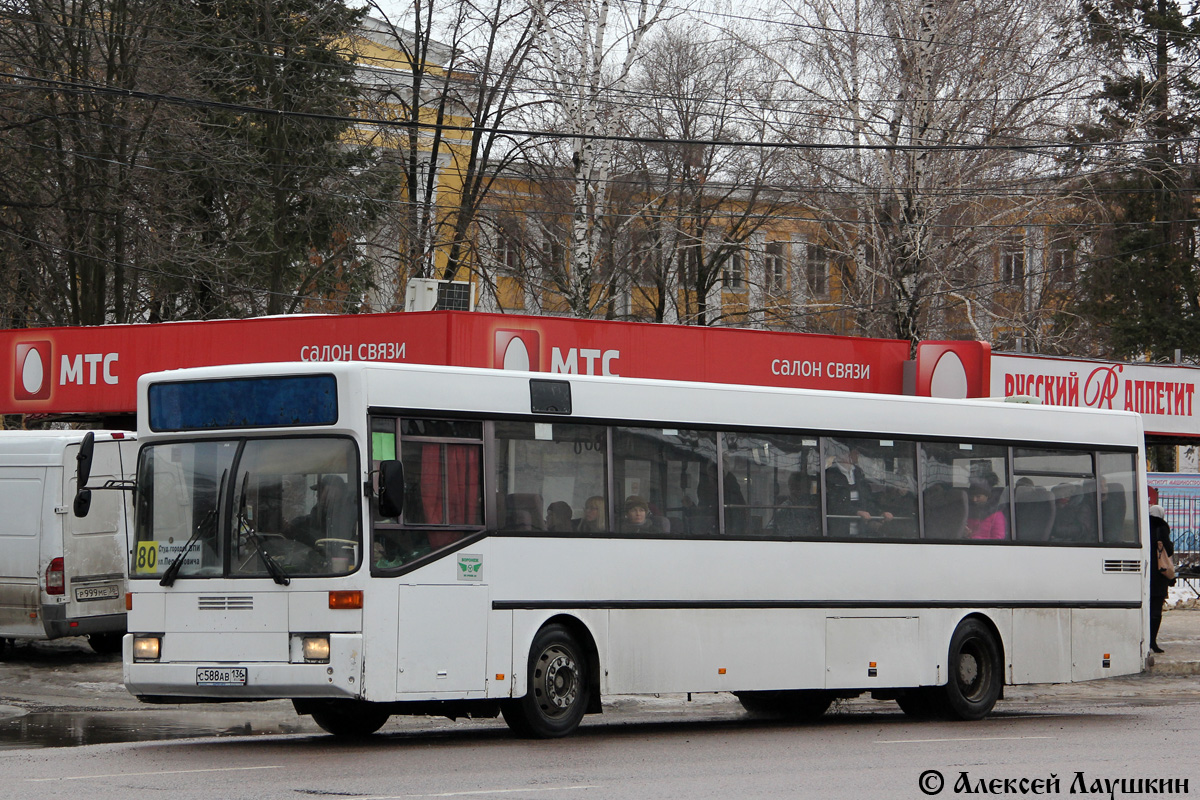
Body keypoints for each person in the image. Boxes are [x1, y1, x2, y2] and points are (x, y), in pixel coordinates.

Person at [824, 446, 890, 536]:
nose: (857, 455)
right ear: (843, 454)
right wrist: (855, 512)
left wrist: (879, 514)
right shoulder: (829, 474)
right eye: (854, 452)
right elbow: (831, 503)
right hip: (838, 531)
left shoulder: (858, 473)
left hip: (861, 532)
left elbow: (867, 499)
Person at [1149, 504, 1175, 653]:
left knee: (1146, 607)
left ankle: (1145, 639)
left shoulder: (1144, 526)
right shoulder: (1161, 527)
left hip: (1147, 573)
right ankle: (1153, 640)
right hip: (1159, 573)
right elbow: (1169, 550)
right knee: (1156, 609)